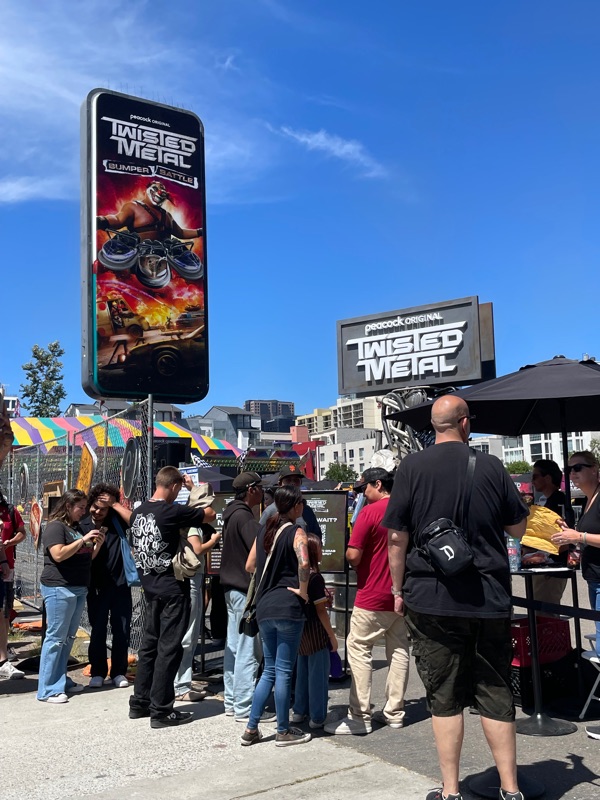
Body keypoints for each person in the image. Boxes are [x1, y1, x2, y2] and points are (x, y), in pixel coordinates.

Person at [384, 396, 528, 800]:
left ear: (434, 426)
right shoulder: (492, 466)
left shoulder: (411, 467)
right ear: (465, 424)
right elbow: (518, 530)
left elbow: (396, 538)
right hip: (488, 597)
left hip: (430, 596)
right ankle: (510, 789)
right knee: (495, 689)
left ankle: (450, 791)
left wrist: (396, 589)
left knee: (443, 693)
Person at [128, 467, 216, 728]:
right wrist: (193, 489)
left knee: (149, 646)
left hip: (150, 588)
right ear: (175, 486)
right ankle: (161, 710)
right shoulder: (172, 511)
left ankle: (140, 702)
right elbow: (209, 514)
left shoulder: (138, 512)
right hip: (172, 589)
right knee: (169, 648)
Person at [325, 468, 410, 736]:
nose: (362, 493)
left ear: (378, 484)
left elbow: (353, 555)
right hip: (401, 592)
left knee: (359, 648)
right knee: (399, 649)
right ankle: (395, 712)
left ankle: (359, 716)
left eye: (364, 488)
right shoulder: (406, 510)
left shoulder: (369, 512)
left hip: (372, 592)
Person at [241, 485, 312, 747]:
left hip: (264, 606)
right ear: (295, 506)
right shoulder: (297, 531)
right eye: (301, 503)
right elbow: (304, 562)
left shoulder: (264, 530)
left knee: (268, 670)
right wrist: (302, 590)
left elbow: (250, 565)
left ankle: (251, 728)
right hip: (288, 606)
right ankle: (283, 730)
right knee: (283, 671)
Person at [37, 489, 106, 703]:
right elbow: (58, 554)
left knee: (67, 638)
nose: (84, 512)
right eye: (80, 507)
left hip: (77, 587)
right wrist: (82, 540)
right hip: (59, 587)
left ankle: (60, 680)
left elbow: (86, 557)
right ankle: (48, 689)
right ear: (68, 506)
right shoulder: (56, 527)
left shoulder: (75, 527)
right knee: (56, 639)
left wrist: (96, 544)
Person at [219, 472, 264, 721]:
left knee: (234, 648)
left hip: (231, 589)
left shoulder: (231, 514)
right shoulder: (244, 517)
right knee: (248, 650)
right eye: (260, 487)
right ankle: (244, 707)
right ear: (251, 490)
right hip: (244, 591)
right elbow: (260, 551)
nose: (263, 492)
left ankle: (232, 701)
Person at [80, 483, 133, 689]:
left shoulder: (116, 521)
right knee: (98, 629)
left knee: (122, 629)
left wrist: (115, 505)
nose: (98, 511)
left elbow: (135, 521)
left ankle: (119, 671)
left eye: (104, 508)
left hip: (120, 583)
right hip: (96, 585)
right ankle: (98, 671)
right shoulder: (83, 524)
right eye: (96, 506)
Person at [174, 482, 221, 702]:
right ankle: (181, 685)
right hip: (192, 578)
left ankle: (181, 680)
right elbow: (197, 549)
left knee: (190, 632)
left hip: (192, 578)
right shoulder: (194, 525)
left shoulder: (190, 521)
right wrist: (213, 540)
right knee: (190, 633)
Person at [551, 451, 600, 658]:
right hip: (593, 579)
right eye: (569, 469)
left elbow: (586, 537)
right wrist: (570, 534)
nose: (572, 473)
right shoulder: (589, 499)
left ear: (595, 470)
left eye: (577, 468)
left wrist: (579, 536)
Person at [292, 533, 337, 729]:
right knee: (318, 675)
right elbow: (320, 611)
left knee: (302, 673)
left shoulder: (297, 574)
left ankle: (299, 711)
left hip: (300, 629)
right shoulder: (316, 577)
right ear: (312, 551)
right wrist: (332, 636)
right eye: (319, 547)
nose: (321, 551)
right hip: (316, 632)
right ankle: (318, 717)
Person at [0, 492, 26, 680]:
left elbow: (22, 532)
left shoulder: (9, 511)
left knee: (4, 611)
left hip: (5, 567)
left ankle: (3, 654)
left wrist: (11, 543)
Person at [259, 466, 322, 538]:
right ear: (280, 484)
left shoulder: (307, 510)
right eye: (288, 480)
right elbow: (259, 538)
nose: (292, 483)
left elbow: (317, 537)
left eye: (296, 480)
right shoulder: (270, 511)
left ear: (301, 483)